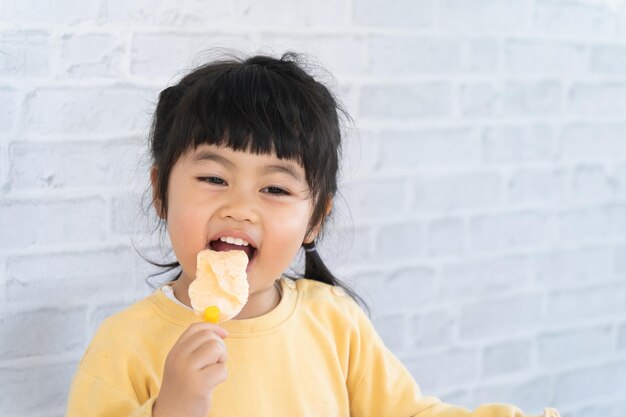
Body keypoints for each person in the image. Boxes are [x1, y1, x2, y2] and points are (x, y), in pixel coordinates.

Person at [65, 52, 560, 417]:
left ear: (316, 218)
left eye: (276, 188)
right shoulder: (125, 344)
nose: (240, 207)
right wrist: (171, 408)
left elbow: (407, 413)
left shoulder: (335, 323)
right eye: (214, 178)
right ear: (160, 192)